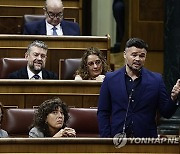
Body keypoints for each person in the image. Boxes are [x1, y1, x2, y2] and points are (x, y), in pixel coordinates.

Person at [97, 38, 180, 138]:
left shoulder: (156, 80)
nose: (138, 59)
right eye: (134, 55)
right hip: (117, 139)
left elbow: (166, 113)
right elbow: (103, 112)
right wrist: (106, 139)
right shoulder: (110, 79)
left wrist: (173, 98)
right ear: (124, 55)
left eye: (142, 56)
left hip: (146, 140)